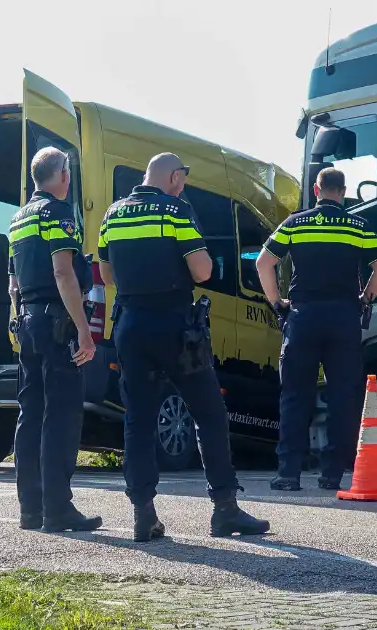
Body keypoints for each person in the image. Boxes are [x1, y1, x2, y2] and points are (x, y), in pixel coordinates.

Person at [97, 152, 270, 542]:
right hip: (175, 327)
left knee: (138, 420)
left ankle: (144, 514)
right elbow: (203, 270)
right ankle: (224, 509)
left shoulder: (113, 214)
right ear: (174, 177)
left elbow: (107, 273)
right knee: (208, 413)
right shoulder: (176, 211)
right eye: (184, 179)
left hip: (129, 326)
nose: (184, 186)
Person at [254, 167, 377, 491]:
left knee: (294, 396)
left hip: (303, 318)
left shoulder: (296, 223)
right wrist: (364, 297)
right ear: (342, 192)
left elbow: (263, 262)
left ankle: (288, 473)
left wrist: (278, 302)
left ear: (317, 190)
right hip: (343, 318)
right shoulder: (358, 225)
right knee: (343, 396)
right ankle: (332, 474)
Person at [8, 146, 102, 532]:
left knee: (30, 415)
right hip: (56, 323)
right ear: (63, 175)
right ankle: (58, 509)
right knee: (60, 417)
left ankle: (31, 508)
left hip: (29, 323)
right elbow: (64, 274)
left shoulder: (18, 218)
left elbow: (12, 284)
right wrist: (83, 330)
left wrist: (16, 321)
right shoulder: (59, 213)